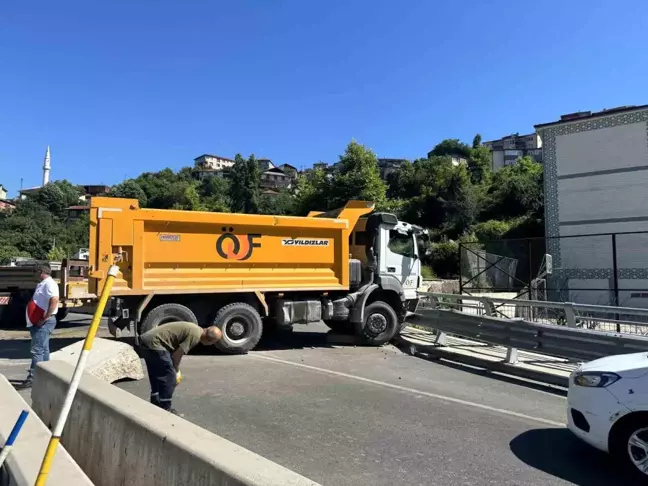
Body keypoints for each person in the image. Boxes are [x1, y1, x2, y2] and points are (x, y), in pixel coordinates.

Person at [138, 321, 222, 414]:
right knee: (170, 376)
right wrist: (176, 371)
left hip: (145, 340)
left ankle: (155, 401)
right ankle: (165, 407)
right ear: (210, 341)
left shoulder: (195, 328)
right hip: (155, 343)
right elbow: (176, 356)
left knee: (156, 372)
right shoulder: (195, 336)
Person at [23, 263, 59, 387]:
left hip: (43, 322)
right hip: (39, 321)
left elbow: (54, 300)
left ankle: (33, 377)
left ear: (40, 271)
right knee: (43, 349)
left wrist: (45, 317)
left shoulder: (49, 283)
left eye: (34, 271)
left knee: (37, 350)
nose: (33, 274)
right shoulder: (43, 284)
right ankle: (45, 376)